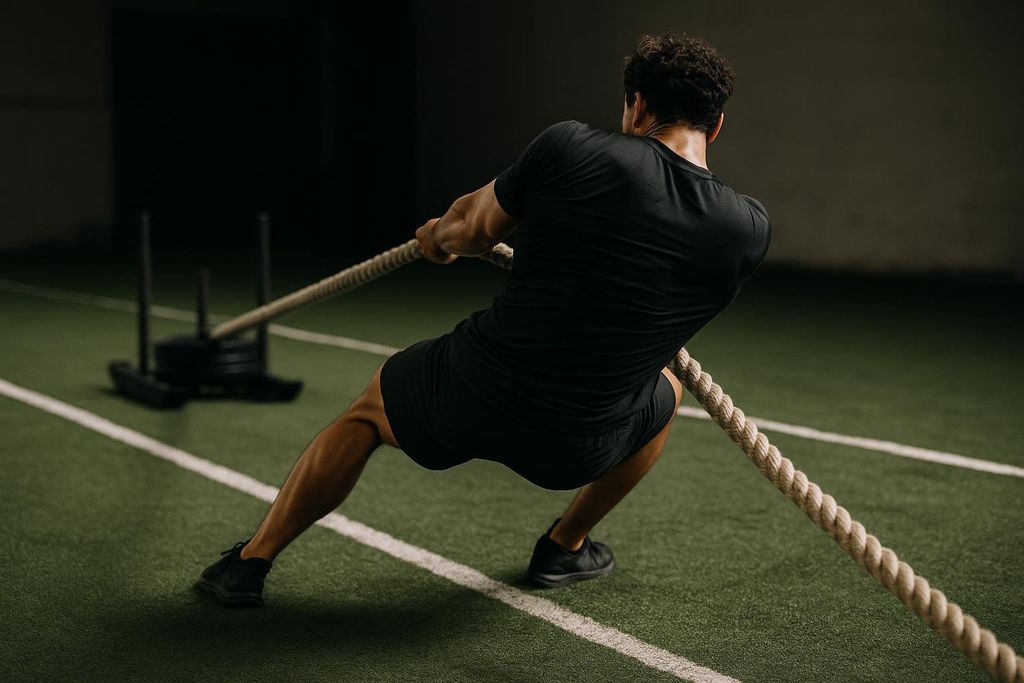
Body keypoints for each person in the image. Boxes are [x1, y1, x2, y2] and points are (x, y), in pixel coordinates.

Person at [195, 33, 771, 607]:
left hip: (473, 393)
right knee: (666, 394)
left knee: (368, 412)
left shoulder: (572, 147)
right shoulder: (747, 230)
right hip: (577, 444)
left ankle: (249, 564)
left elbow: (471, 228)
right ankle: (565, 546)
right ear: (715, 126)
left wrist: (438, 237)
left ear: (637, 104)